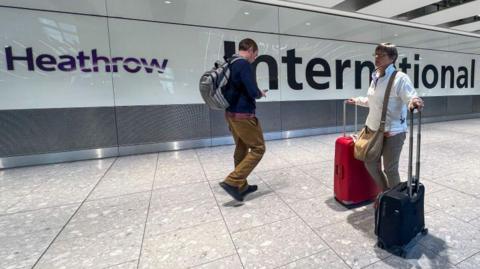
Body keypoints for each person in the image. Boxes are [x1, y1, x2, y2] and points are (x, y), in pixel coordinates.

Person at [347, 43, 424, 206]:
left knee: (390, 168)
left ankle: (396, 202)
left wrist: (414, 102)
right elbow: (374, 101)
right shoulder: (375, 76)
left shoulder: (400, 78)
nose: (377, 58)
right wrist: (358, 100)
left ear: (392, 58)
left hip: (393, 132)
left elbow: (411, 98)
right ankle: (385, 192)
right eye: (375, 54)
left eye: (381, 55)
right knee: (369, 161)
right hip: (373, 129)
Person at [219, 38, 268, 202]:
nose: (255, 58)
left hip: (231, 114)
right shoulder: (244, 64)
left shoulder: (231, 62)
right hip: (243, 115)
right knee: (258, 148)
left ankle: (241, 186)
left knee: (241, 148)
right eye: (255, 55)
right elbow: (253, 91)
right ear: (251, 50)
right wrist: (260, 93)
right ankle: (233, 181)